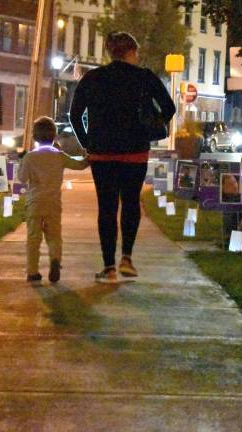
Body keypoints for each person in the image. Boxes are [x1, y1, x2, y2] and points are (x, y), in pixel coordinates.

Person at [70, 31, 175, 282]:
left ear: (110, 52)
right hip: (135, 152)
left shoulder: (93, 78)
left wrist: (88, 143)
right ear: (131, 52)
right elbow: (169, 108)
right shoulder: (144, 78)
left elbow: (75, 115)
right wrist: (150, 127)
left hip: (102, 153)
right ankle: (127, 258)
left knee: (106, 207)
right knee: (130, 203)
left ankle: (109, 268)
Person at [18, 116, 88, 283]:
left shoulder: (30, 157)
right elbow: (80, 165)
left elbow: (22, 178)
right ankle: (55, 259)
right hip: (53, 203)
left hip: (34, 202)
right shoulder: (60, 156)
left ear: (35, 136)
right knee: (54, 236)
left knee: (33, 238)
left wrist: (22, 161)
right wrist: (88, 154)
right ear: (54, 135)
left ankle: (32, 272)